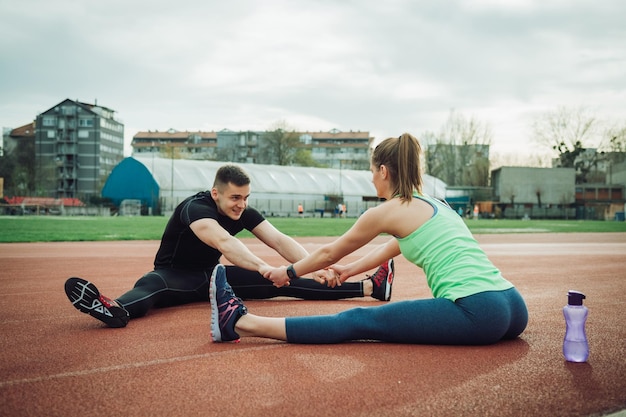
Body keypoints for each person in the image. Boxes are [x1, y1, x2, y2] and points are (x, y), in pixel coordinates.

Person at [209, 133, 528, 344]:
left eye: (372, 171)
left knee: (360, 320)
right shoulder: (435, 204)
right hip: (511, 304)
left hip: (478, 310)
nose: (372, 178)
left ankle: (240, 322)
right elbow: (397, 244)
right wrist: (350, 270)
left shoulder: (388, 210)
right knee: (370, 318)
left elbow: (328, 253)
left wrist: (288, 273)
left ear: (384, 171)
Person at [64, 164, 394, 328]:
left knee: (286, 282)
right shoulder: (196, 209)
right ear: (216, 193)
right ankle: (114, 309)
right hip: (175, 275)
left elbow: (279, 240)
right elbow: (223, 240)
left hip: (213, 276)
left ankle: (369, 288)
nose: (241, 205)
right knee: (151, 284)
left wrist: (315, 266)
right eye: (235, 197)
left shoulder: (242, 210)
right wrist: (265, 267)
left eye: (246, 198)